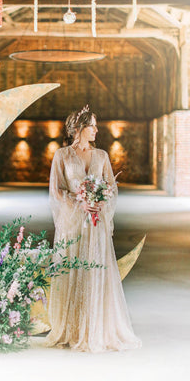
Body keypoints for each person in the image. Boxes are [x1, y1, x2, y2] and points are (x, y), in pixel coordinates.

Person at [45, 105, 141, 352]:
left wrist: (100, 202)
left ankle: (96, 327)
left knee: (95, 270)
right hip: (73, 225)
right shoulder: (62, 156)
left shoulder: (101, 156)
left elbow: (111, 187)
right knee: (73, 270)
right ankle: (72, 327)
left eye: (96, 126)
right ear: (78, 129)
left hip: (96, 225)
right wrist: (80, 203)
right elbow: (56, 191)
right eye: (92, 126)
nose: (96, 130)